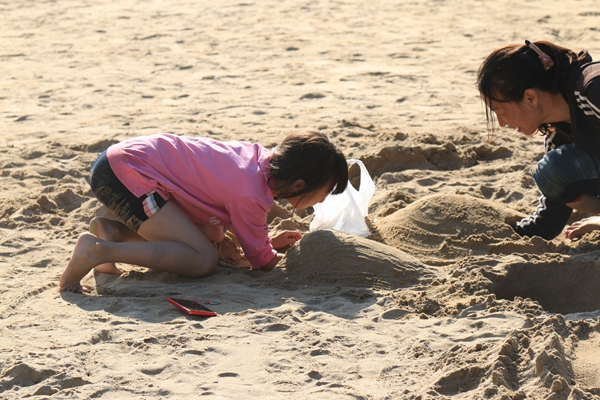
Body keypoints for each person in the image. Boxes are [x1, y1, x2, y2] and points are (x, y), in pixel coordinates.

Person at [60, 129, 348, 292]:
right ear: (299, 184)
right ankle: (98, 251)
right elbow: (261, 262)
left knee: (212, 233)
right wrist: (307, 260)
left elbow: (246, 236)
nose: (322, 200)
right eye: (324, 191)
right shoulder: (252, 194)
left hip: (121, 161)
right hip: (128, 175)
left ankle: (113, 233)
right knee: (202, 259)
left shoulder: (255, 159)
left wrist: (269, 242)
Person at [477, 40, 600, 240]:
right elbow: (549, 218)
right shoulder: (557, 132)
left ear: (530, 98)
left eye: (500, 111)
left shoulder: (592, 90)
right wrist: (513, 234)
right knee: (554, 173)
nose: (501, 123)